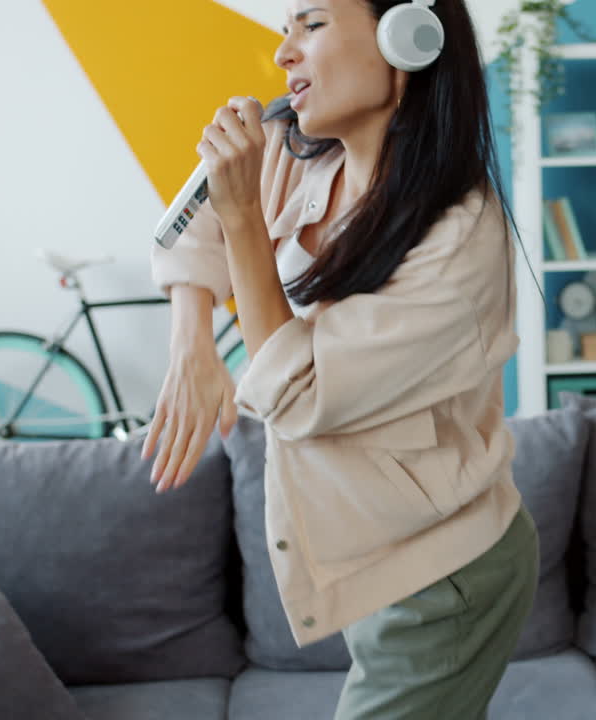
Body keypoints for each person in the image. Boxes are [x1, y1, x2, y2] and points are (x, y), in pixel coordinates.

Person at [140, 0, 539, 716]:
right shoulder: (300, 156)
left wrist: (242, 222)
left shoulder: (458, 237)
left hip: (443, 574)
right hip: (380, 556)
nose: (283, 54)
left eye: (311, 24)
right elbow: (184, 231)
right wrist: (191, 343)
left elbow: (298, 396)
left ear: (408, 39)